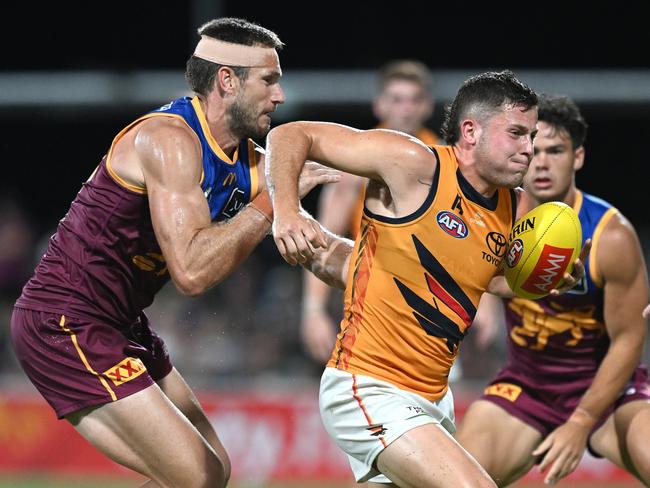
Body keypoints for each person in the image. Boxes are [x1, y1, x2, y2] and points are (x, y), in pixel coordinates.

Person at [9, 17, 337, 488]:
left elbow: (327, 189)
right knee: (195, 475)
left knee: (213, 472)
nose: (279, 95)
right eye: (269, 80)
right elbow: (191, 272)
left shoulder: (249, 161)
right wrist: (272, 201)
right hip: (64, 321)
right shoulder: (169, 140)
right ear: (227, 80)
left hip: (119, 324)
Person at [266, 71, 586, 487]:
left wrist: (543, 279)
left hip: (433, 399)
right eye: (517, 134)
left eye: (532, 136)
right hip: (369, 385)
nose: (530, 150)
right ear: (471, 131)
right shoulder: (416, 164)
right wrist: (287, 212)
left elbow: (489, 280)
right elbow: (291, 135)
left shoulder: (512, 205)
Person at [455, 95, 650, 486]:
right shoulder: (496, 218)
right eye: (534, 150)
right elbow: (466, 276)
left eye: (555, 150)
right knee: (449, 478)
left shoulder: (610, 236)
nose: (541, 162)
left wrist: (580, 422)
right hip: (527, 387)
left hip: (607, 390)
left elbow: (629, 340)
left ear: (577, 157)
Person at [301, 59, 439, 363]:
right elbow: (323, 235)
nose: (406, 108)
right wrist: (313, 310)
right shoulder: (356, 161)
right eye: (397, 99)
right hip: (370, 295)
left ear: (427, 106)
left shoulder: (442, 159)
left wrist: (486, 307)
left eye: (414, 99)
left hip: (433, 300)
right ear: (380, 105)